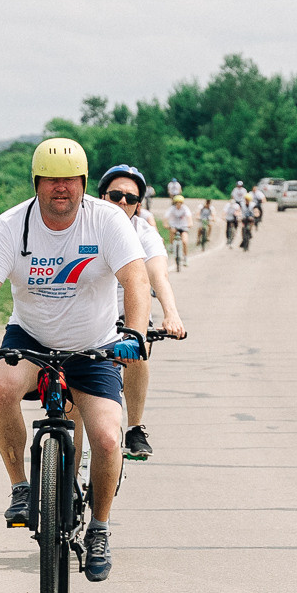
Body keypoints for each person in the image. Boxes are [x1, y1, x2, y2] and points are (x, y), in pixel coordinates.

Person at [0, 137, 183, 583]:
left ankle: (99, 528)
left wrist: (134, 335)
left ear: (83, 184)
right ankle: (21, 488)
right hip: (32, 338)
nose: (61, 189)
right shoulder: (10, 225)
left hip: (95, 345)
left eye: (70, 181)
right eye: (51, 181)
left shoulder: (107, 221)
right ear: (37, 183)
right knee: (1, 387)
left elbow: (135, 282)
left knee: (104, 439)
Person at [97, 164, 176, 461]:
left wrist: (171, 313)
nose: (122, 203)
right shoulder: (80, 226)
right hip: (88, 314)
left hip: (128, 312)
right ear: (101, 196)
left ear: (138, 206)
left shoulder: (143, 232)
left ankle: (134, 427)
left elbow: (158, 275)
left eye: (130, 199)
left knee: (136, 347)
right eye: (115, 195)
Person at [160, 180, 194, 264]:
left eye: (180, 203)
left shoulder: (185, 208)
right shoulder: (172, 209)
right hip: (174, 226)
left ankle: (185, 257)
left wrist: (190, 223)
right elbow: (165, 217)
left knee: (185, 241)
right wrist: (165, 224)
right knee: (172, 231)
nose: (179, 204)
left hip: (183, 226)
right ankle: (171, 245)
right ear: (175, 203)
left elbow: (189, 216)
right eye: (177, 203)